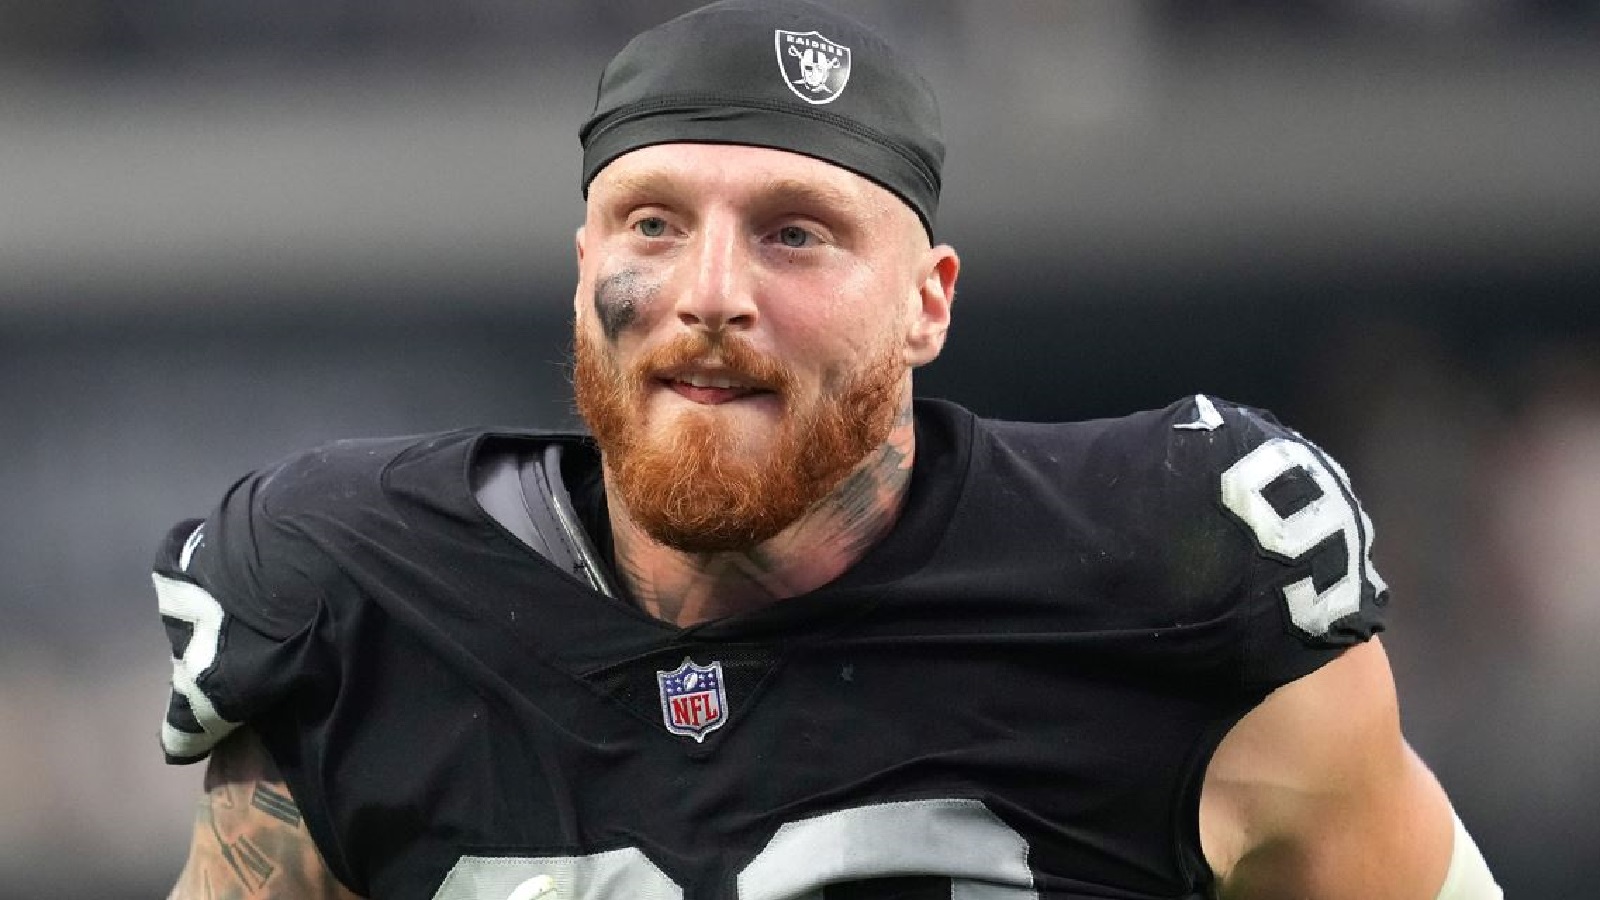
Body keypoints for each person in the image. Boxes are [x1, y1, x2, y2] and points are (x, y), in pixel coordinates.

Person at [153, 2, 1502, 898]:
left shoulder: (1175, 572)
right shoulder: (358, 591)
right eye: (653, 224)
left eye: (796, 231)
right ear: (582, 271)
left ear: (931, 301)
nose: (711, 293)